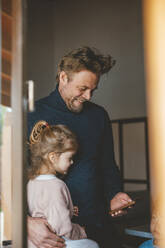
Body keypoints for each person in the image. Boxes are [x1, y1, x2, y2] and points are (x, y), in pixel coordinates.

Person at [27, 46, 132, 248]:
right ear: (63, 78)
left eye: (93, 90)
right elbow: (9, 179)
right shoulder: (31, 113)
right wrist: (26, 223)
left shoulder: (99, 115)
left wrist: (115, 194)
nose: (88, 96)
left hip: (99, 224)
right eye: (82, 89)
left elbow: (108, 166)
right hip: (54, 234)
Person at [27, 120, 99, 248]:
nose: (71, 162)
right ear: (53, 157)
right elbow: (61, 228)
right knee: (92, 244)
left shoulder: (32, 182)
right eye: (69, 158)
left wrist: (69, 210)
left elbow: (45, 209)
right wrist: (81, 230)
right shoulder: (56, 185)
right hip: (55, 241)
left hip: (33, 243)